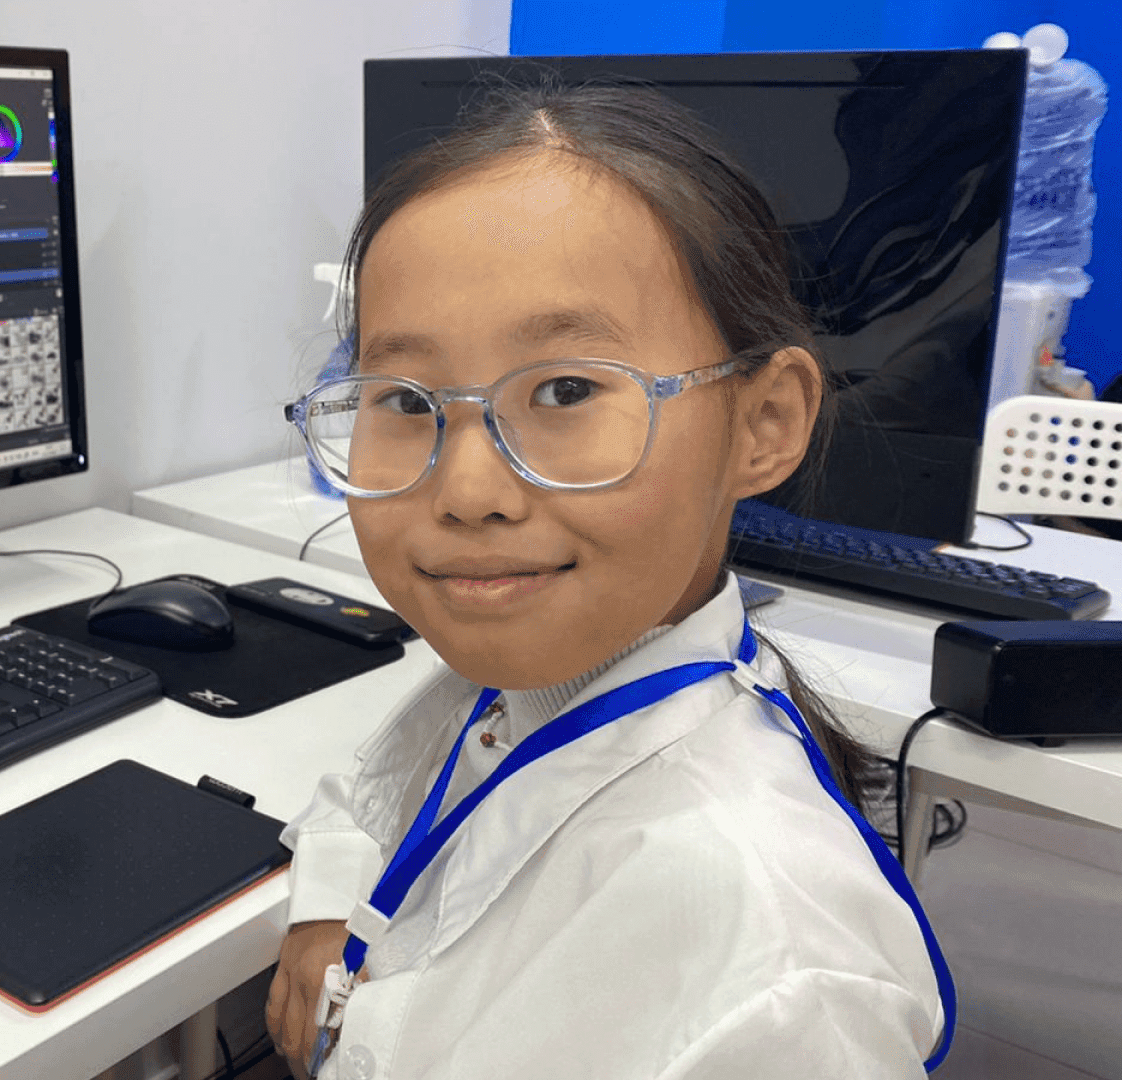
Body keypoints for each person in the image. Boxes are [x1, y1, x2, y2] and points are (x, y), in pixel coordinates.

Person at [265, 78, 953, 1079]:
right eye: (406, 400)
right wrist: (331, 905)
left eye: (565, 389)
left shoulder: (778, 991)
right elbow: (376, 789)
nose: (466, 491)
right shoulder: (526, 677)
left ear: (764, 424)